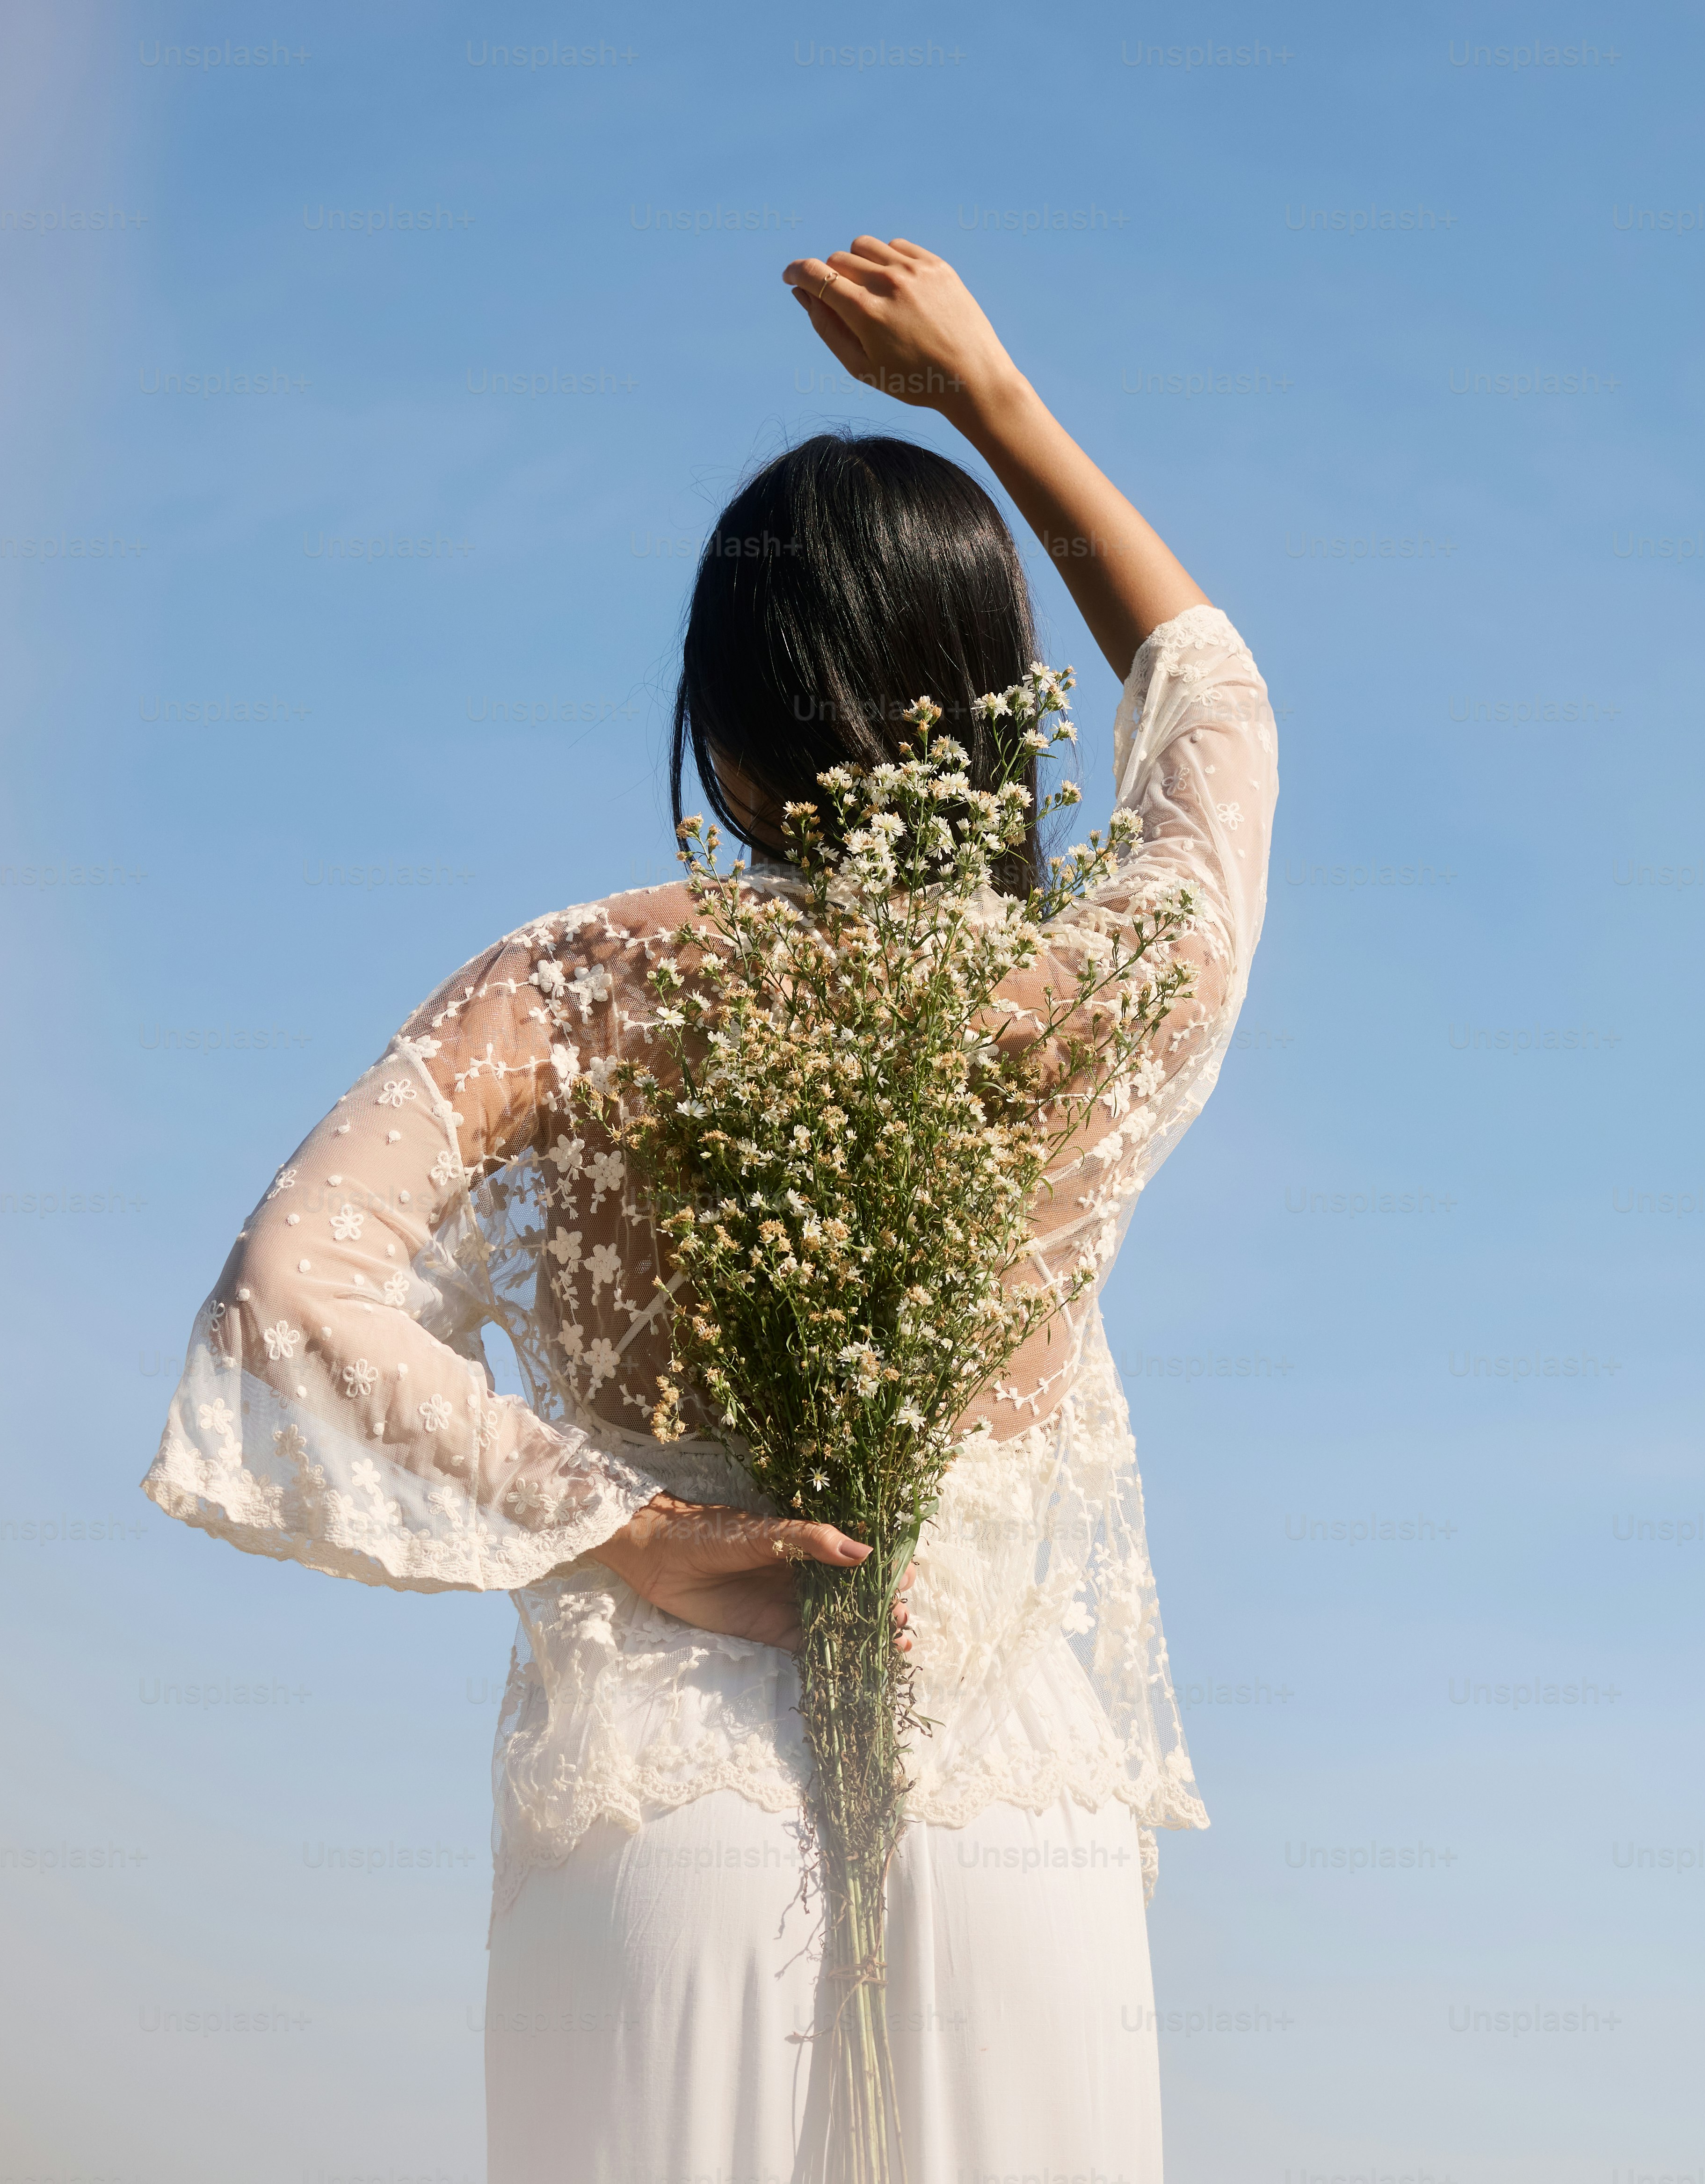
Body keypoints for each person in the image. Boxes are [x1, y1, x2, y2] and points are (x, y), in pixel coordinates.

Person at [138, 237, 1278, 2183]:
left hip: (671, 1820)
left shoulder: (577, 980)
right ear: (989, 724)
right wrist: (991, 401)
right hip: (1005, 1819)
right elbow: (1215, 709)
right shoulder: (1082, 991)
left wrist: (629, 1531)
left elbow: (289, 1294)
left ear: (722, 728)